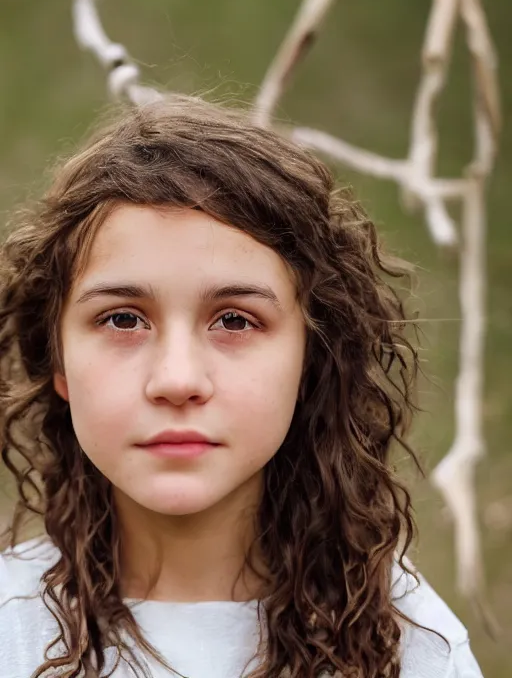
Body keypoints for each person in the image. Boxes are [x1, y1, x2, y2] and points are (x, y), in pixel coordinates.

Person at [0, 96, 482, 678]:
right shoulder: (12, 631)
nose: (177, 380)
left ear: (311, 359)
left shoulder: (411, 646)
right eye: (123, 319)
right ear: (58, 362)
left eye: (234, 320)